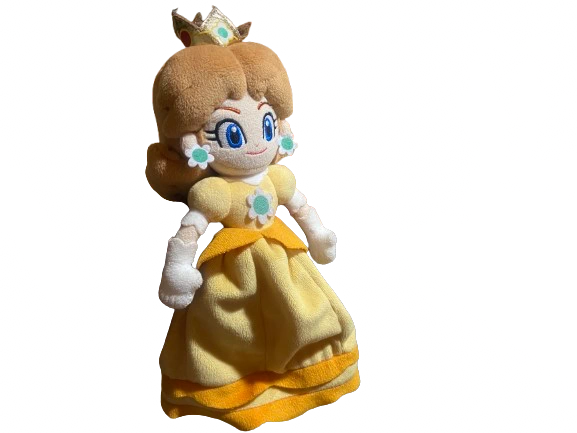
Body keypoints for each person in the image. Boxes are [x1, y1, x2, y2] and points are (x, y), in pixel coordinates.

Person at [145, 7, 360, 431]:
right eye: (231, 131)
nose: (259, 142)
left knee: (307, 313)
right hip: (233, 272)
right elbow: (191, 230)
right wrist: (177, 270)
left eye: (266, 122)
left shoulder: (277, 177)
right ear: (191, 140)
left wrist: (317, 234)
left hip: (286, 258)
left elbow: (299, 206)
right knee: (226, 331)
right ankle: (233, 390)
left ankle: (313, 374)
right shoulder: (215, 191)